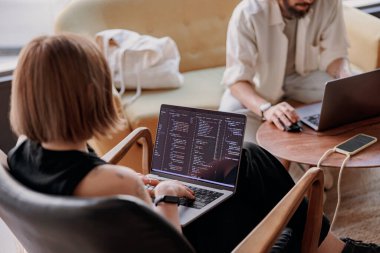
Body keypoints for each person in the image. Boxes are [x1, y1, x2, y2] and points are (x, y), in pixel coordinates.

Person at [6, 34, 379, 253]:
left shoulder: (23, 150)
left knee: (245, 159)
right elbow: (171, 241)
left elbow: (80, 174)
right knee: (269, 187)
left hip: (117, 233)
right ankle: (334, 249)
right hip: (183, 242)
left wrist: (125, 177)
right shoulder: (115, 185)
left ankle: (326, 243)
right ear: (91, 95)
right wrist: (165, 192)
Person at [219, 0, 353, 143]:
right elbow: (236, 81)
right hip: (258, 87)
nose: (309, 1)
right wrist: (267, 109)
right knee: (229, 133)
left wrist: (345, 76)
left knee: (352, 95)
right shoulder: (248, 12)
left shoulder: (328, 3)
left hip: (303, 78)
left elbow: (335, 55)